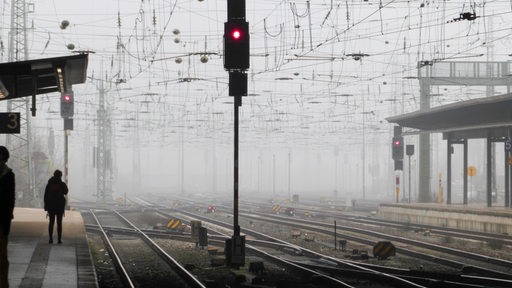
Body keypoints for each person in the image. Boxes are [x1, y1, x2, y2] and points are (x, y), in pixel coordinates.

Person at [0, 146, 15, 288]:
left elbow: (9, 201)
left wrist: (6, 224)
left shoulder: (9, 176)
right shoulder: (9, 175)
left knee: (2, 258)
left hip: (1, 222)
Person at [44, 170, 68, 244]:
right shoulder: (61, 184)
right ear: (60, 176)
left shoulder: (49, 184)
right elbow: (66, 192)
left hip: (51, 206)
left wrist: (46, 206)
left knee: (51, 222)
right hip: (60, 206)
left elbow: (46, 196)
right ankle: (59, 239)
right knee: (59, 223)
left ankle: (50, 239)